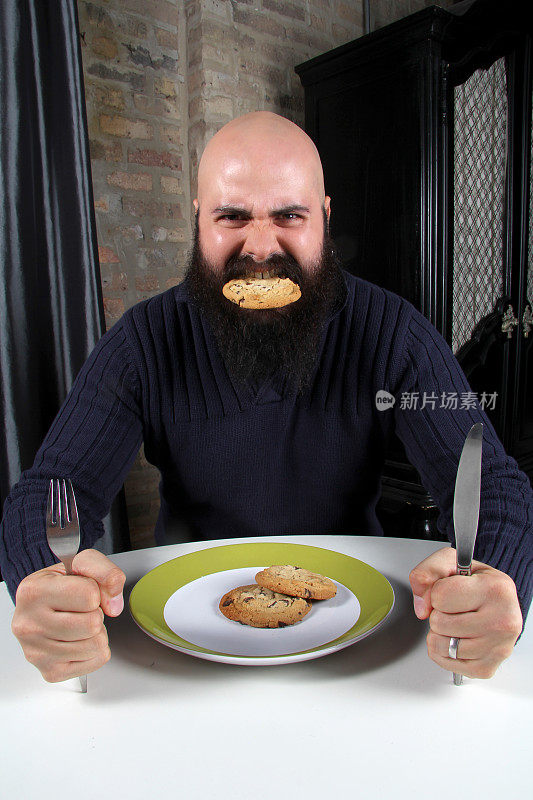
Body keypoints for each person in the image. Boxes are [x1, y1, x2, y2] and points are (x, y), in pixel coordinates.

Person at [1, 111, 530, 685]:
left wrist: (495, 583)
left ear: (324, 220)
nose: (259, 248)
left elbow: (493, 483)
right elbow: (52, 488)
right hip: (181, 636)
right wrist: (43, 582)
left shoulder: (393, 334)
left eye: (288, 216)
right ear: (198, 221)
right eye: (231, 216)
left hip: (364, 631)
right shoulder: (143, 342)